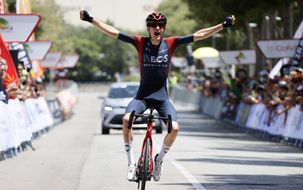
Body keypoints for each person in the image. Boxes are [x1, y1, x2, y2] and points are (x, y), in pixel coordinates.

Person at [80, 10, 236, 181]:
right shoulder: (140, 42)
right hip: (142, 97)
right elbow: (113, 32)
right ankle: (131, 162)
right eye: (154, 25)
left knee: (174, 129)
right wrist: (90, 19)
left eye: (160, 25)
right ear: (148, 28)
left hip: (162, 99)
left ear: (164, 28)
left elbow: (199, 35)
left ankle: (159, 160)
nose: (157, 28)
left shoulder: (171, 43)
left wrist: (223, 25)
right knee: (126, 120)